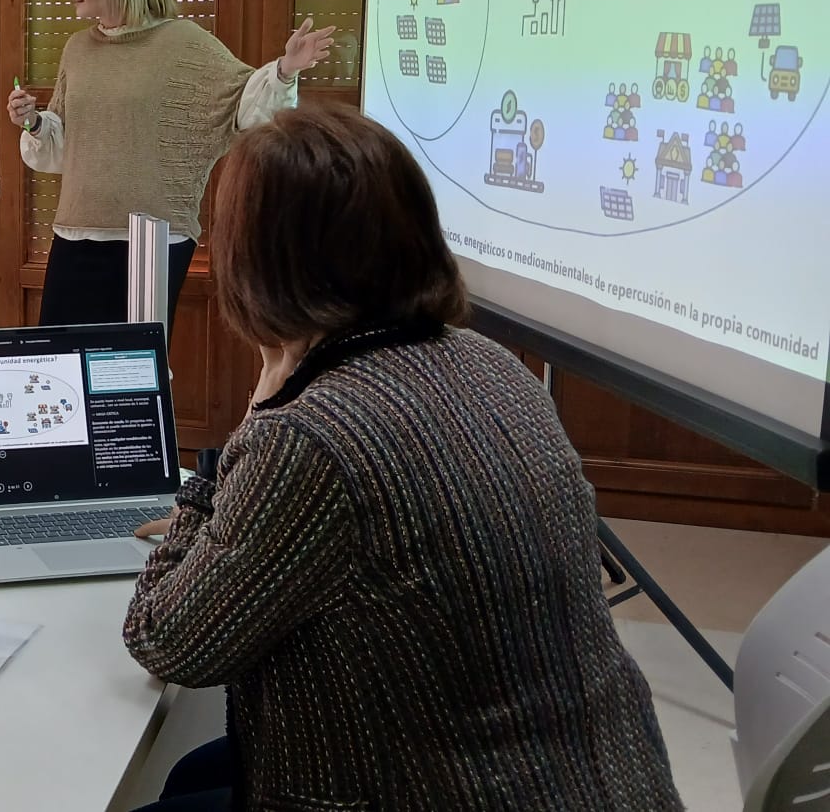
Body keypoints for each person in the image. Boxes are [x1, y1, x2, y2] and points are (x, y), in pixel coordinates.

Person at [122, 104, 681, 811]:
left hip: (444, 789)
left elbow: (164, 639)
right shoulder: (489, 362)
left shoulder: (310, 437)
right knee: (193, 773)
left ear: (256, 267)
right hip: (600, 778)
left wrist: (239, 445)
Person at [5, 0, 333, 329]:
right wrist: (33, 122)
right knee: (62, 355)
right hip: (75, 233)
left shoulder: (183, 43)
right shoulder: (77, 49)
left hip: (152, 240)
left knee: (135, 362)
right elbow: (67, 146)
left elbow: (243, 105)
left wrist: (284, 70)